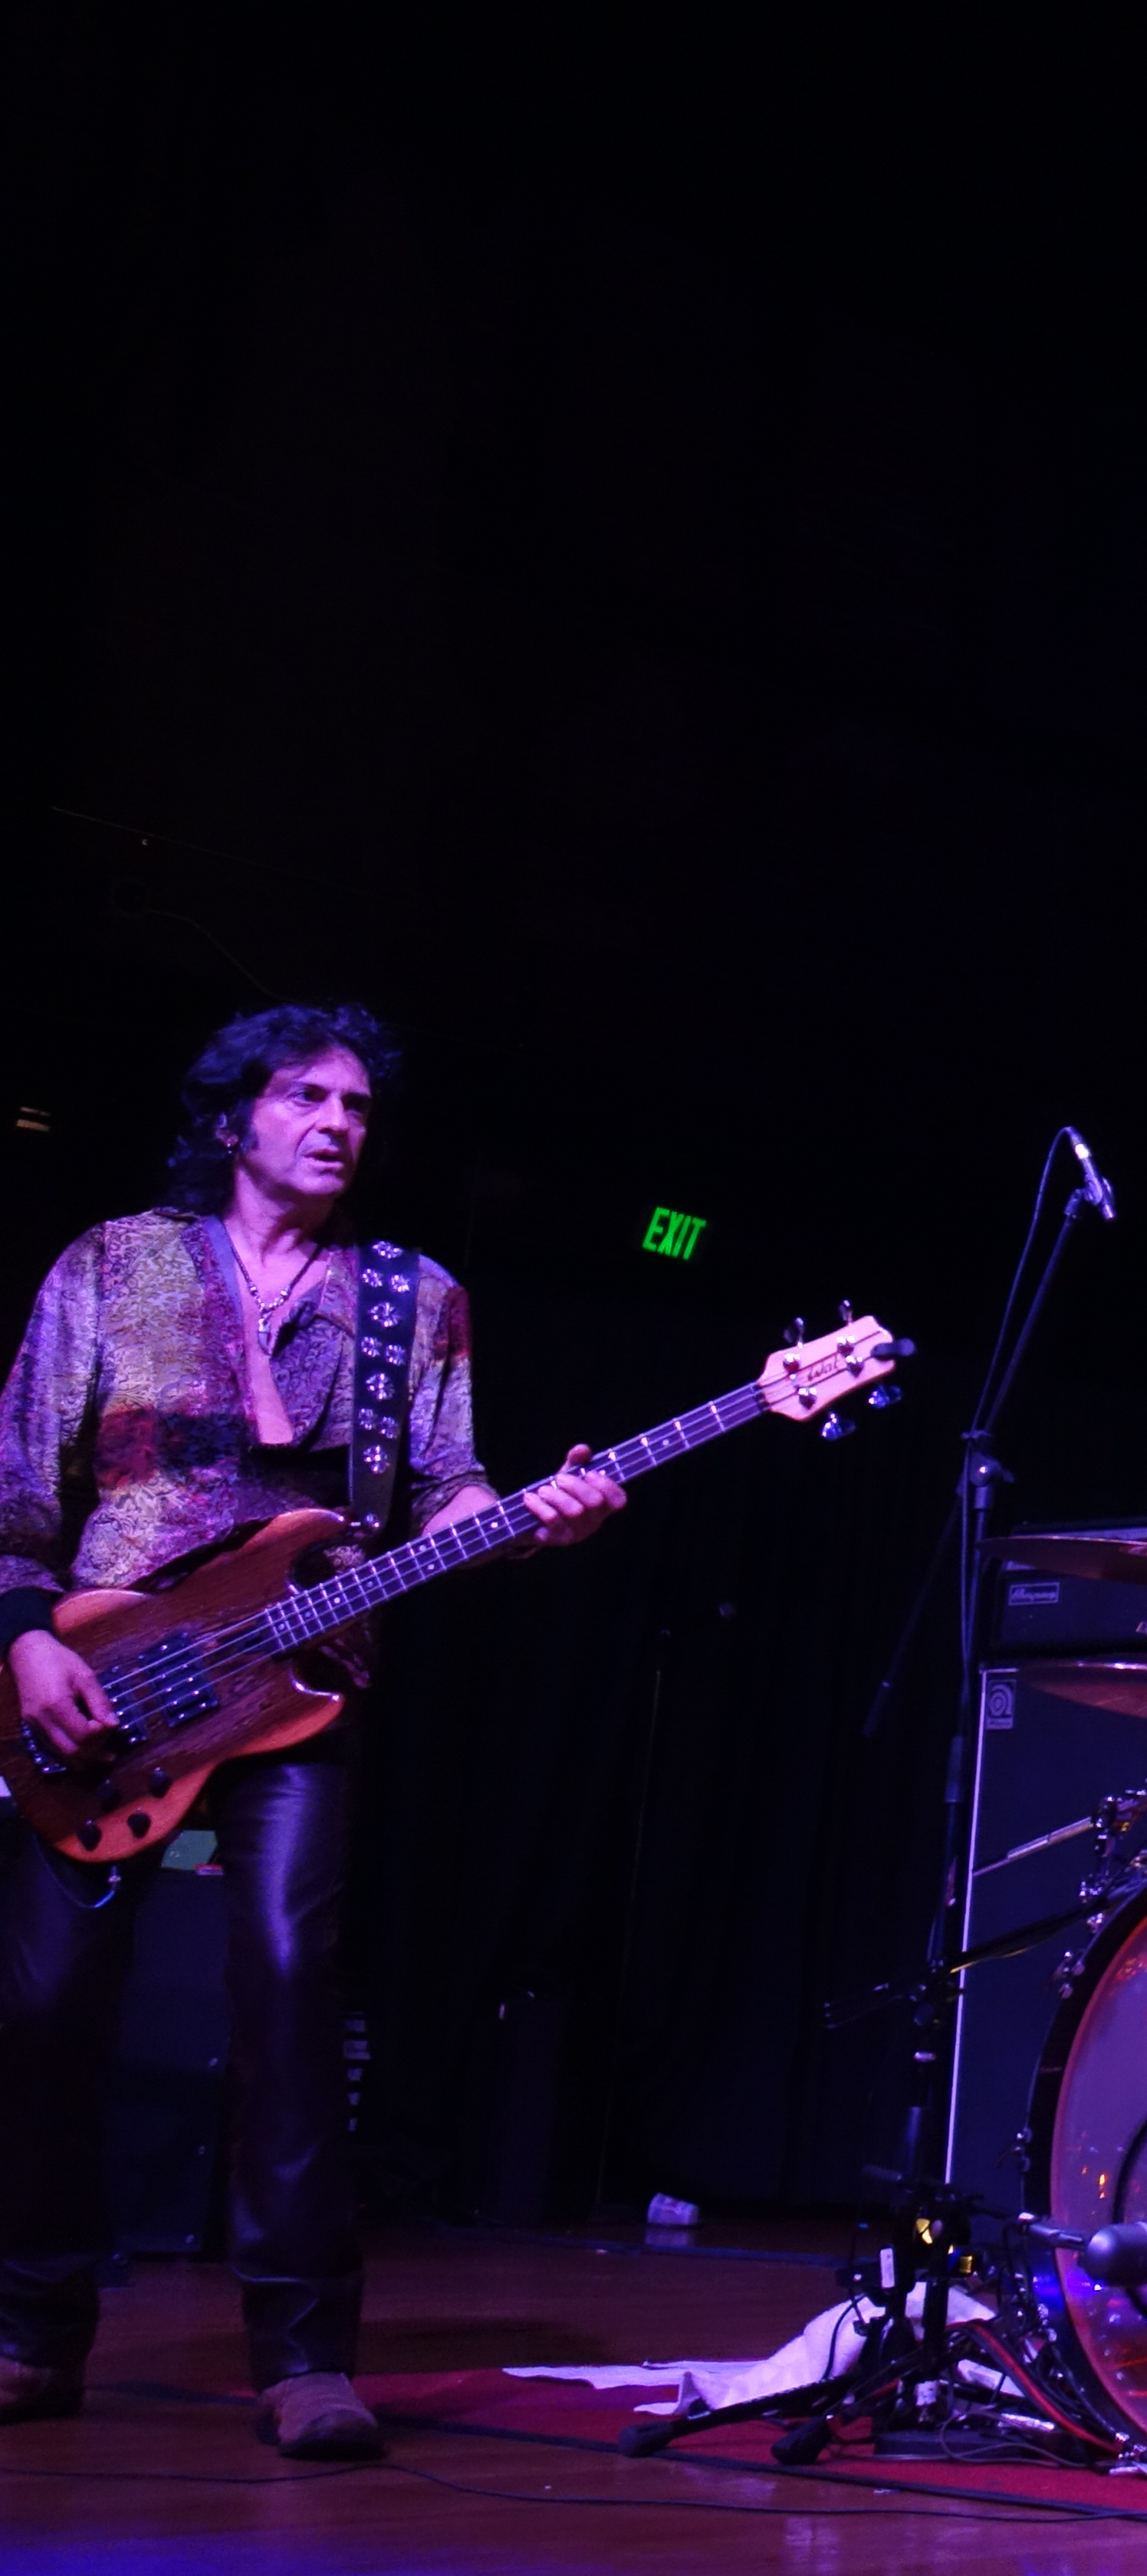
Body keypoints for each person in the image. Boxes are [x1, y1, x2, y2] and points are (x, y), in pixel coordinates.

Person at [0, 1006, 624, 2461]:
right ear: (235, 1117)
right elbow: (21, 1485)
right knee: (42, 2010)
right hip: (100, 1683)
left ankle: (302, 2357)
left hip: (302, 1685)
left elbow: (450, 1490)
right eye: (306, 1095)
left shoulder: (413, 1295)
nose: (338, 1121)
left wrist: (536, 1517)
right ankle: (30, 2332)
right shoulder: (113, 1263)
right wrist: (28, 1639)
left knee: (287, 1988)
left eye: (357, 1105)